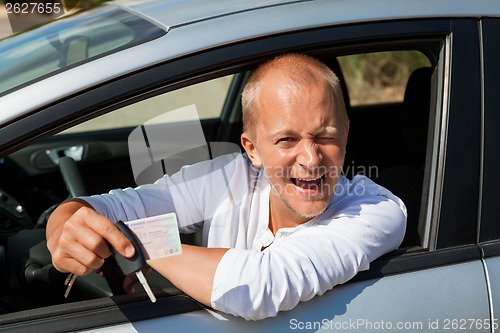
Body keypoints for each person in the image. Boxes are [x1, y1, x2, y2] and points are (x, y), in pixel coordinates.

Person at [46, 53, 406, 320]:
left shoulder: (375, 209)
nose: (311, 160)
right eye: (286, 140)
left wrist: (138, 244)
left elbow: (256, 288)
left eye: (325, 137)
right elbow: (102, 208)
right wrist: (67, 222)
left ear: (345, 134)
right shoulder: (228, 178)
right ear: (253, 149)